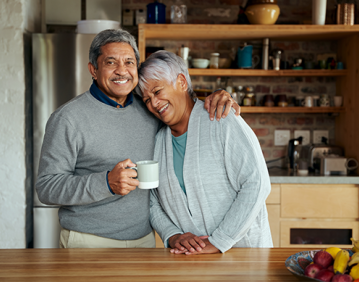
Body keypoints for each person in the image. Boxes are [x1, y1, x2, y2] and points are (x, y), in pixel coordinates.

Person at [35, 29, 240, 249]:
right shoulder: (68, 118)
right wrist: (105, 183)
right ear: (93, 70)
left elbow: (181, 104)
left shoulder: (150, 108)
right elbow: (46, 188)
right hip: (88, 241)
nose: (121, 71)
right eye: (111, 63)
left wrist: (221, 100)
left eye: (129, 62)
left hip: (143, 241)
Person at [135, 50, 273, 255]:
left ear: (181, 82)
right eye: (147, 100)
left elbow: (257, 184)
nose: (153, 104)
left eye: (157, 92)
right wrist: (172, 235)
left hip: (244, 258)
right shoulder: (156, 142)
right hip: (191, 264)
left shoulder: (222, 119)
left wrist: (219, 241)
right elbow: (152, 200)